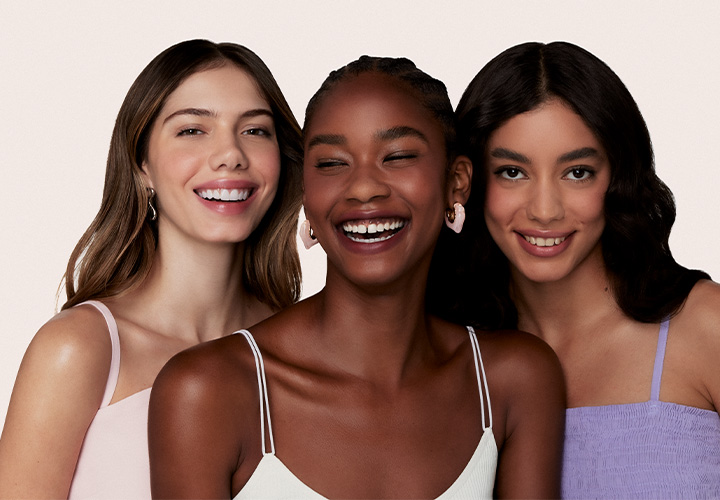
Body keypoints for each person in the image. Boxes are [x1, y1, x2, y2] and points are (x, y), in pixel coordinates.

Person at [148, 55, 565, 499]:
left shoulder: (514, 379)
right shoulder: (207, 391)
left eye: (398, 156)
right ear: (306, 191)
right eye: (331, 163)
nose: (364, 188)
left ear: (456, 182)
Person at [445, 41, 720, 498]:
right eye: (512, 172)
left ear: (618, 177)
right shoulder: (450, 354)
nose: (545, 210)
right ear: (467, 182)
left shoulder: (711, 328)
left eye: (577, 172)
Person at [0, 39, 303, 499]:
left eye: (255, 130)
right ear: (142, 165)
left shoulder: (296, 349)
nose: (230, 154)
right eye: (192, 130)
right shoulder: (80, 349)